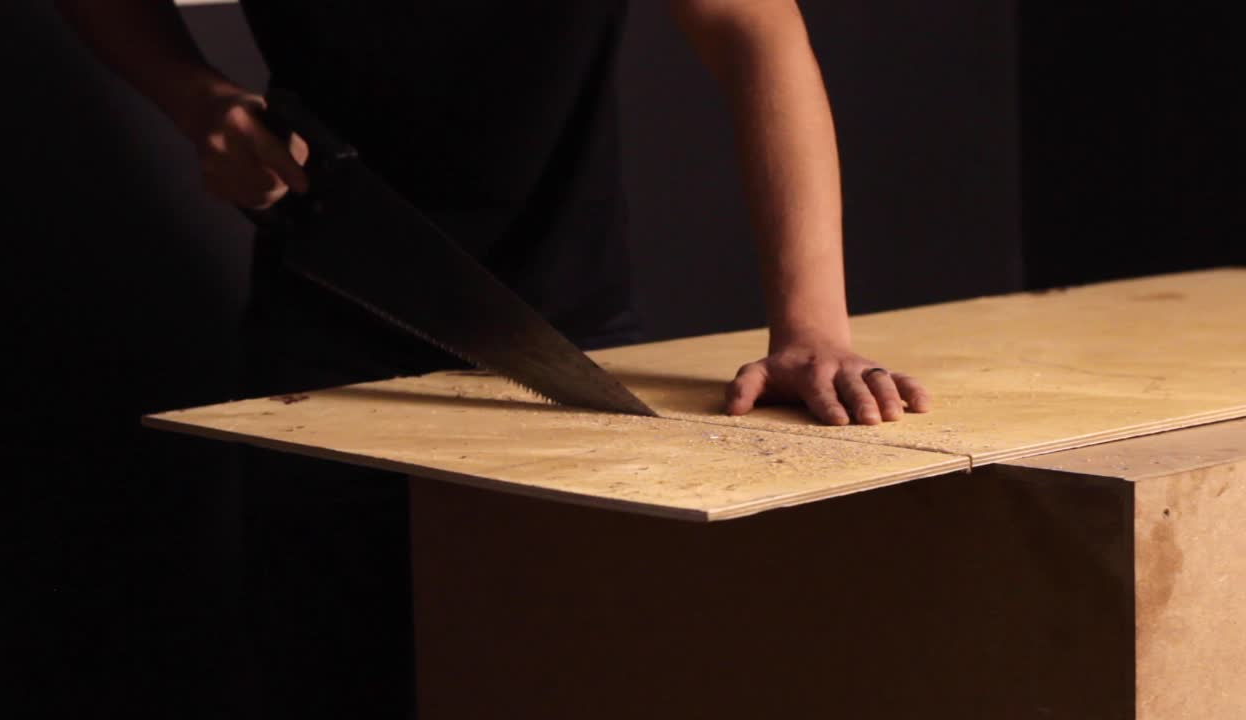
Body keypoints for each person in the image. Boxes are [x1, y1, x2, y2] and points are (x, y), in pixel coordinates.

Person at [57, 1, 931, 717]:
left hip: (567, 334)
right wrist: (196, 96)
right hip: (320, 325)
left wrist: (811, 328)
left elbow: (754, 26)